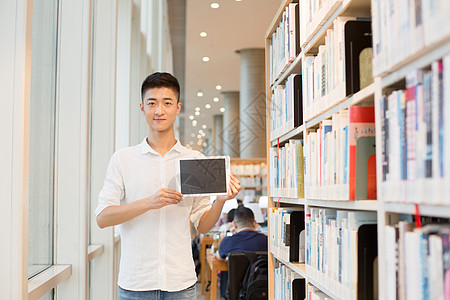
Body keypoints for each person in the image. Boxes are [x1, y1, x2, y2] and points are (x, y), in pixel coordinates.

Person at [95, 72, 241, 300]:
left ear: (178, 107)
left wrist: (220, 201)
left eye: (167, 103)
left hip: (181, 284)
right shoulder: (123, 159)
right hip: (135, 284)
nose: (159, 111)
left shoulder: (195, 161)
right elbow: (103, 218)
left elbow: (202, 226)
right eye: (152, 103)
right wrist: (148, 203)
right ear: (142, 108)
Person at [216, 206, 267, 299]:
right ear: (255, 223)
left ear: (234, 225)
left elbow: (219, 257)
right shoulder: (266, 240)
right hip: (262, 290)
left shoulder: (228, 241)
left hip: (237, 292)